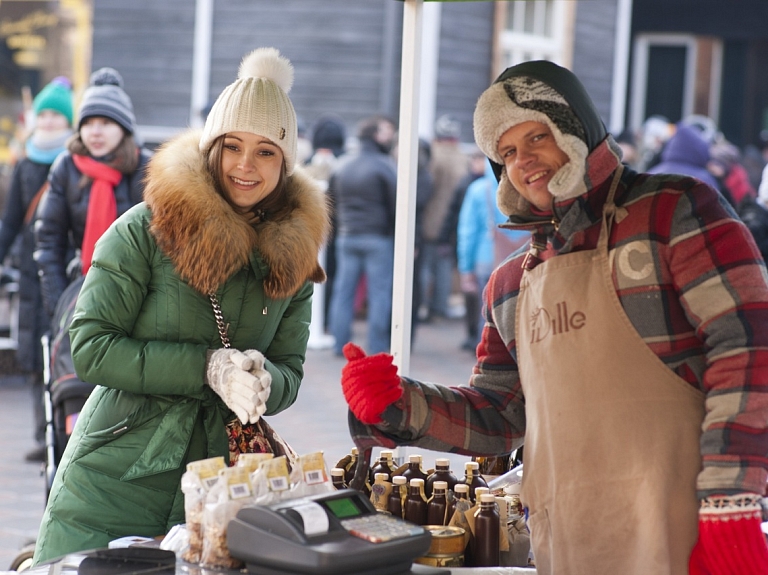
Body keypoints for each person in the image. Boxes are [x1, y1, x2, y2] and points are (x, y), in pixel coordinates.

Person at [340, 60, 768, 575]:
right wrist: (400, 403)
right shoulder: (510, 285)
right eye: (507, 152)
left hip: (685, 531)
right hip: (570, 542)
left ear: (577, 129)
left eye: (537, 137)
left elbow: (748, 348)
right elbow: (500, 415)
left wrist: (729, 502)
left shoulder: (674, 211)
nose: (524, 161)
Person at [32, 47, 330, 564]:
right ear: (212, 147)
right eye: (232, 146)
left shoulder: (294, 258)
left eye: (265, 151)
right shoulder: (143, 231)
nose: (245, 165)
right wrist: (207, 367)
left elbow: (290, 370)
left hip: (218, 491)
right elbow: (91, 349)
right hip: (114, 480)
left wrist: (265, 382)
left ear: (285, 163)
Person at [34, 67, 151, 320]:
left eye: (106, 123)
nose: (95, 132)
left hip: (139, 293)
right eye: (88, 123)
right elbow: (49, 240)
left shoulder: (147, 168)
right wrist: (58, 303)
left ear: (124, 128)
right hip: (81, 289)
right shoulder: (67, 166)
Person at [0, 77, 73, 462]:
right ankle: (41, 432)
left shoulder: (74, 163)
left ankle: (65, 431)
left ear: (68, 122)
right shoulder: (26, 163)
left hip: (65, 273)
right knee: (34, 356)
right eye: (43, 114)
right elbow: (11, 221)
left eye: (55, 116)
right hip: (30, 276)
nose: (48, 121)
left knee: (66, 353)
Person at [328, 114, 398, 356]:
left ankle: (340, 344)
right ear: (376, 136)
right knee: (379, 293)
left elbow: (330, 202)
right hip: (377, 238)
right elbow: (395, 205)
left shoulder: (342, 165)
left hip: (347, 236)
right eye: (385, 132)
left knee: (343, 291)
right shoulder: (385, 165)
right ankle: (377, 347)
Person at [456, 159, 528, 352]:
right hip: (524, 258)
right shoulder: (525, 185)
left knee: (488, 313)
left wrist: (466, 269)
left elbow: (467, 233)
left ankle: (489, 354)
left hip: (487, 259)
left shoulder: (479, 190)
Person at [419, 114, 468, 322]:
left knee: (425, 267)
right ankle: (440, 308)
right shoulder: (463, 158)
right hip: (454, 221)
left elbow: (425, 187)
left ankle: (422, 306)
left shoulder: (433, 156)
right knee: (444, 267)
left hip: (430, 220)